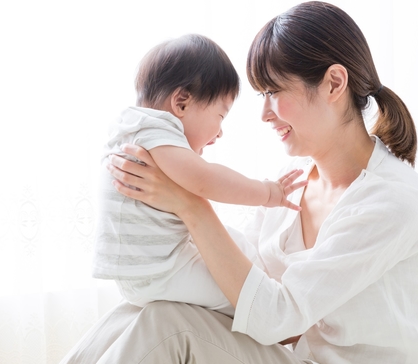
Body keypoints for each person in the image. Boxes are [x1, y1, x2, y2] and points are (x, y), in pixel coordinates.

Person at [45, 1, 418, 364]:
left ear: (334, 83)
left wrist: (191, 204)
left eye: (274, 92)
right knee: (140, 310)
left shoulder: (392, 200)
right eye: (262, 95)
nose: (263, 113)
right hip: (300, 363)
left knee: (171, 330)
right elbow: (248, 284)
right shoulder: (293, 179)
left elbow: (276, 318)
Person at [92, 33, 304, 315]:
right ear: (181, 103)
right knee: (243, 299)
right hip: (162, 270)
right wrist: (267, 192)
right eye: (220, 116)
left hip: (147, 268)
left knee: (234, 242)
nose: (219, 133)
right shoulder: (157, 130)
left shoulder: (131, 127)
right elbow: (205, 180)